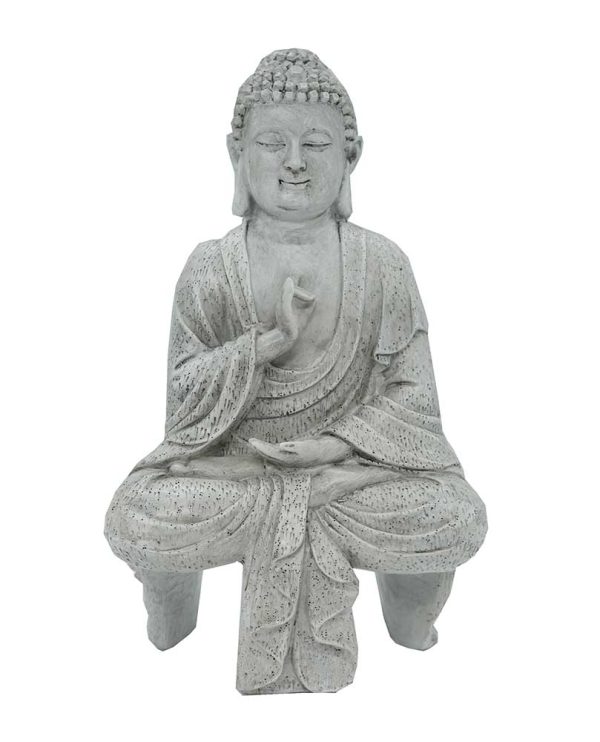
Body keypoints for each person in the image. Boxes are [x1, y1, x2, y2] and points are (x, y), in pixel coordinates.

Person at [105, 49, 487, 694]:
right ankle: (177, 608)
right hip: (239, 472)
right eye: (271, 143)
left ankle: (405, 613)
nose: (294, 162)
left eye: (315, 144)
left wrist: (333, 447)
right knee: (137, 514)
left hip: (348, 475)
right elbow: (184, 403)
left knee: (455, 514)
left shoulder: (382, 264)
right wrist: (266, 344)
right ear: (237, 154)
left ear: (351, 156)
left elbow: (414, 401)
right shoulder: (211, 267)